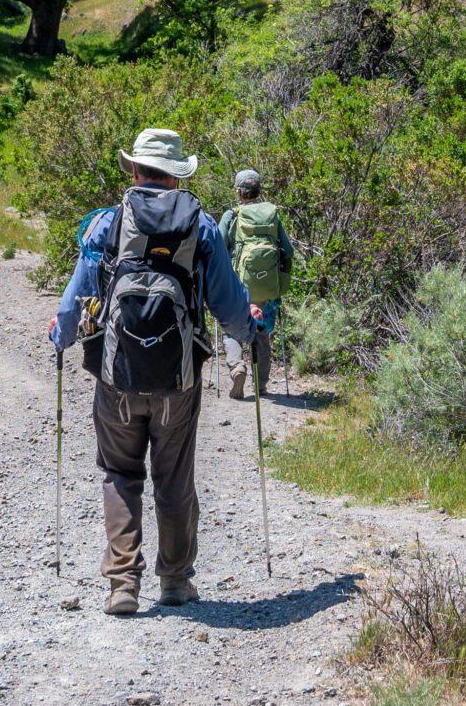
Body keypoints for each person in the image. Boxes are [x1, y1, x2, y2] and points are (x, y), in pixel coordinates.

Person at [49, 128, 256, 616]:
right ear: (176, 175)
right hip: (178, 380)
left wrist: (61, 338)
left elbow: (76, 297)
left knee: (120, 474)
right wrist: (246, 329)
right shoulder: (202, 227)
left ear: (136, 171)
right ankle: (177, 581)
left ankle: (123, 584)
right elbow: (227, 303)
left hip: (116, 375)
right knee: (174, 478)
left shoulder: (107, 224)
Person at [217, 169, 295, 400]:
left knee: (231, 329)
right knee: (262, 332)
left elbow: (218, 247)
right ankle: (260, 385)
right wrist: (281, 281)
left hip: (238, 286)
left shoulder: (232, 215)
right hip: (267, 287)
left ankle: (237, 367)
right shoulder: (272, 214)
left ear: (239, 191)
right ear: (259, 190)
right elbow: (288, 251)